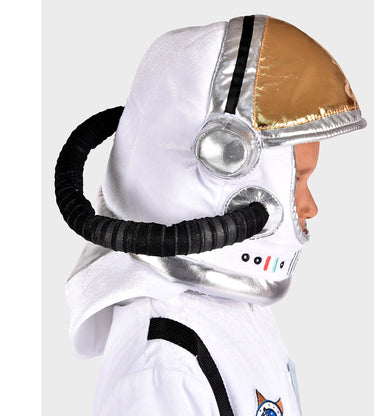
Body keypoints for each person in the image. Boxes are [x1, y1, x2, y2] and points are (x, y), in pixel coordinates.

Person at [55, 15, 366, 415]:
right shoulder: (165, 365)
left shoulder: (231, 313)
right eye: (298, 180)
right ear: (224, 167)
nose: (310, 206)